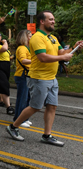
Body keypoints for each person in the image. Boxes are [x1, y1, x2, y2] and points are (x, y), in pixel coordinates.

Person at [6, 11, 83, 146]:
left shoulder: (52, 38)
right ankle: (13, 127)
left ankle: (47, 135)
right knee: (35, 107)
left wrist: (74, 47)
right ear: (42, 21)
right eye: (51, 19)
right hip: (39, 78)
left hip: (52, 78)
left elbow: (62, 53)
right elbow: (42, 57)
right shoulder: (37, 38)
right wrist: (62, 58)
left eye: (53, 19)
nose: (53, 21)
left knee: (52, 106)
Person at [13, 30, 32, 128]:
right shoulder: (22, 48)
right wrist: (36, 61)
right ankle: (18, 118)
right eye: (29, 36)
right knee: (22, 98)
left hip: (27, 75)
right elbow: (23, 60)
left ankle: (24, 118)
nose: (31, 38)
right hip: (22, 75)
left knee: (27, 98)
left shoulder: (27, 48)